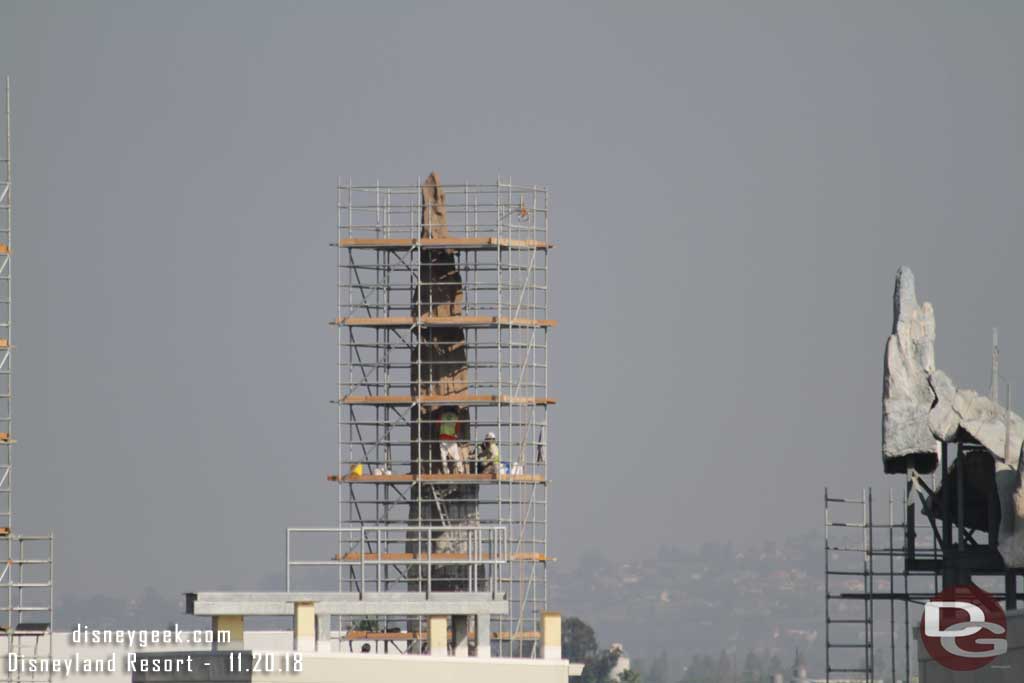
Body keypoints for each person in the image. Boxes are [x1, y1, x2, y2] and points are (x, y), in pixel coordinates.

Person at [438, 406, 464, 474]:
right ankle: (460, 470)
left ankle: (446, 472)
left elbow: (437, 426)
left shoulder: (442, 416)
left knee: (443, 456)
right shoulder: (455, 417)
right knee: (456, 456)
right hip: (451, 439)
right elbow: (457, 429)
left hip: (443, 438)